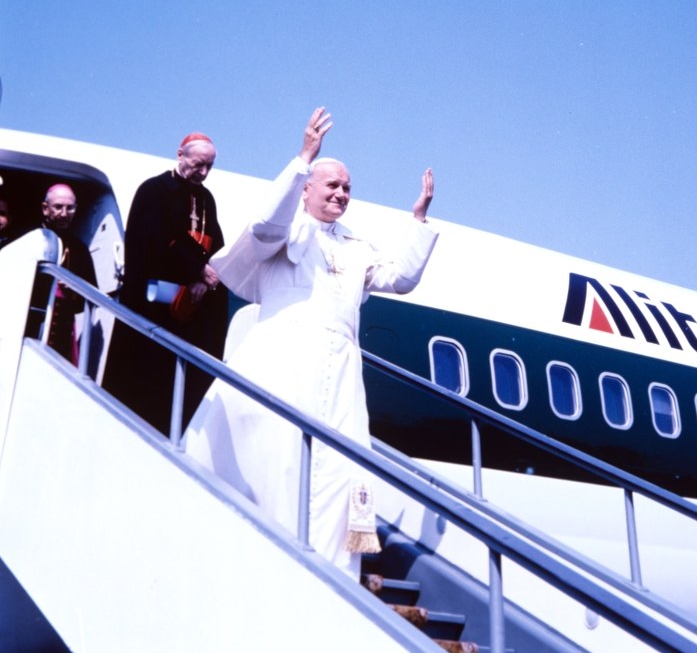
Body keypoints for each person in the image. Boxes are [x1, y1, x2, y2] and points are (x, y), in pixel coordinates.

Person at [183, 107, 437, 579]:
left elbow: (400, 278)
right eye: (331, 185)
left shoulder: (356, 246)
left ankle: (336, 568)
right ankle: (272, 551)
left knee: (344, 466)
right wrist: (303, 158)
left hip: (341, 370)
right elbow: (265, 226)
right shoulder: (286, 232)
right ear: (306, 190)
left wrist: (418, 220)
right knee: (277, 456)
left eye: (347, 188)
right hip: (285, 354)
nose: (341, 193)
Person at [104, 133, 228, 434]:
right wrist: (197, 270)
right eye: (198, 164)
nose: (203, 173)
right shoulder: (154, 190)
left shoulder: (206, 199)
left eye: (209, 166)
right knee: (146, 382)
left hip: (190, 304)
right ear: (180, 155)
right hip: (154, 300)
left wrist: (204, 280)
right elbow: (156, 240)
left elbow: (215, 244)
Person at [33, 183, 98, 363]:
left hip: (62, 332)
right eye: (58, 207)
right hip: (28, 323)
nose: (64, 214)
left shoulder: (79, 249)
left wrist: (74, 290)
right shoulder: (30, 238)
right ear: (45, 209)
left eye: (70, 208)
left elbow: (92, 296)